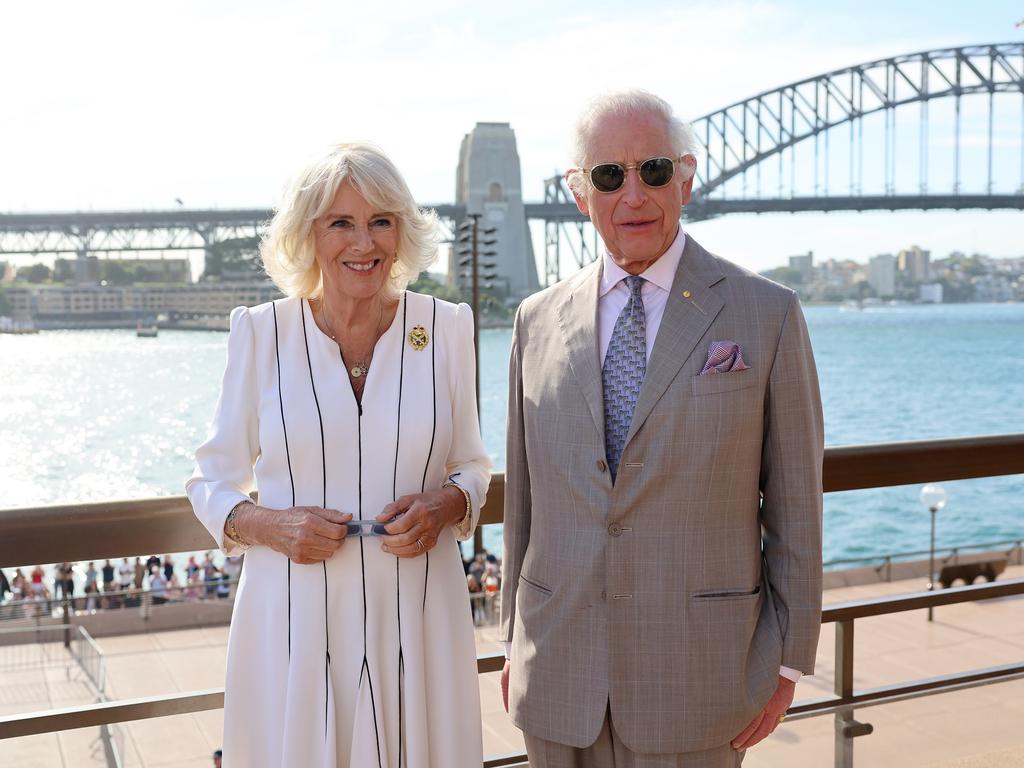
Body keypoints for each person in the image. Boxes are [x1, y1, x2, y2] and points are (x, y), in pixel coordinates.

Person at [500, 90, 824, 767]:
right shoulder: (533, 321)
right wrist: (512, 641)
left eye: (652, 169)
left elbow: (795, 504)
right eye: (608, 175)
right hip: (557, 676)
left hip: (703, 680)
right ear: (579, 193)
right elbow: (524, 505)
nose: (633, 193)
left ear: (686, 176)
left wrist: (789, 662)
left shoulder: (768, 315)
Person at [186, 142, 490, 767]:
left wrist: (448, 503)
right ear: (309, 236)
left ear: (402, 232)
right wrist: (272, 525)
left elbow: (473, 465)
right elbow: (210, 482)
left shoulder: (445, 330)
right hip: (293, 619)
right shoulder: (260, 333)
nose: (364, 242)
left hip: (419, 613)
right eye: (341, 223)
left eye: (381, 221)